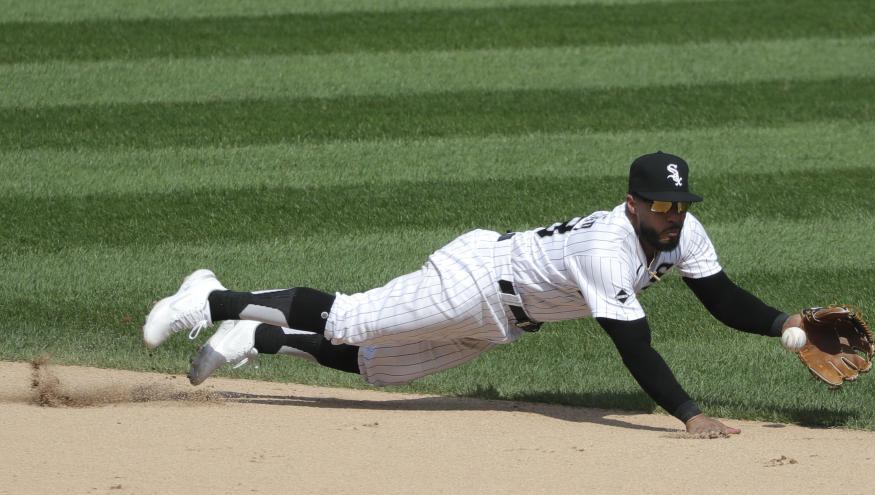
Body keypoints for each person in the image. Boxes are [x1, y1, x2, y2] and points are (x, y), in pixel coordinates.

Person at [143, 151, 800, 438]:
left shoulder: (683, 233)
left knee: (378, 367)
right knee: (349, 318)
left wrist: (783, 323)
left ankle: (258, 337)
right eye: (662, 205)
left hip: (503, 319)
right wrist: (690, 414)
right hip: (479, 279)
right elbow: (634, 344)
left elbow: (720, 298)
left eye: (681, 204)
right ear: (632, 204)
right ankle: (212, 296)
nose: (675, 215)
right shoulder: (609, 248)